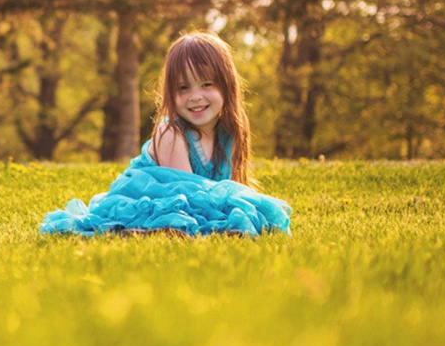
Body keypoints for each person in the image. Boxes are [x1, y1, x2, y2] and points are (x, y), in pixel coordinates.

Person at [40, 31, 292, 237]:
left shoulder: (230, 131)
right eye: (184, 87)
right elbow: (184, 197)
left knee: (248, 212)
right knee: (176, 221)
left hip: (193, 202)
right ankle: (142, 231)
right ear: (171, 91)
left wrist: (244, 210)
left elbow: (234, 185)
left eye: (207, 84)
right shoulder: (171, 132)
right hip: (153, 198)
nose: (195, 96)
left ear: (227, 86)